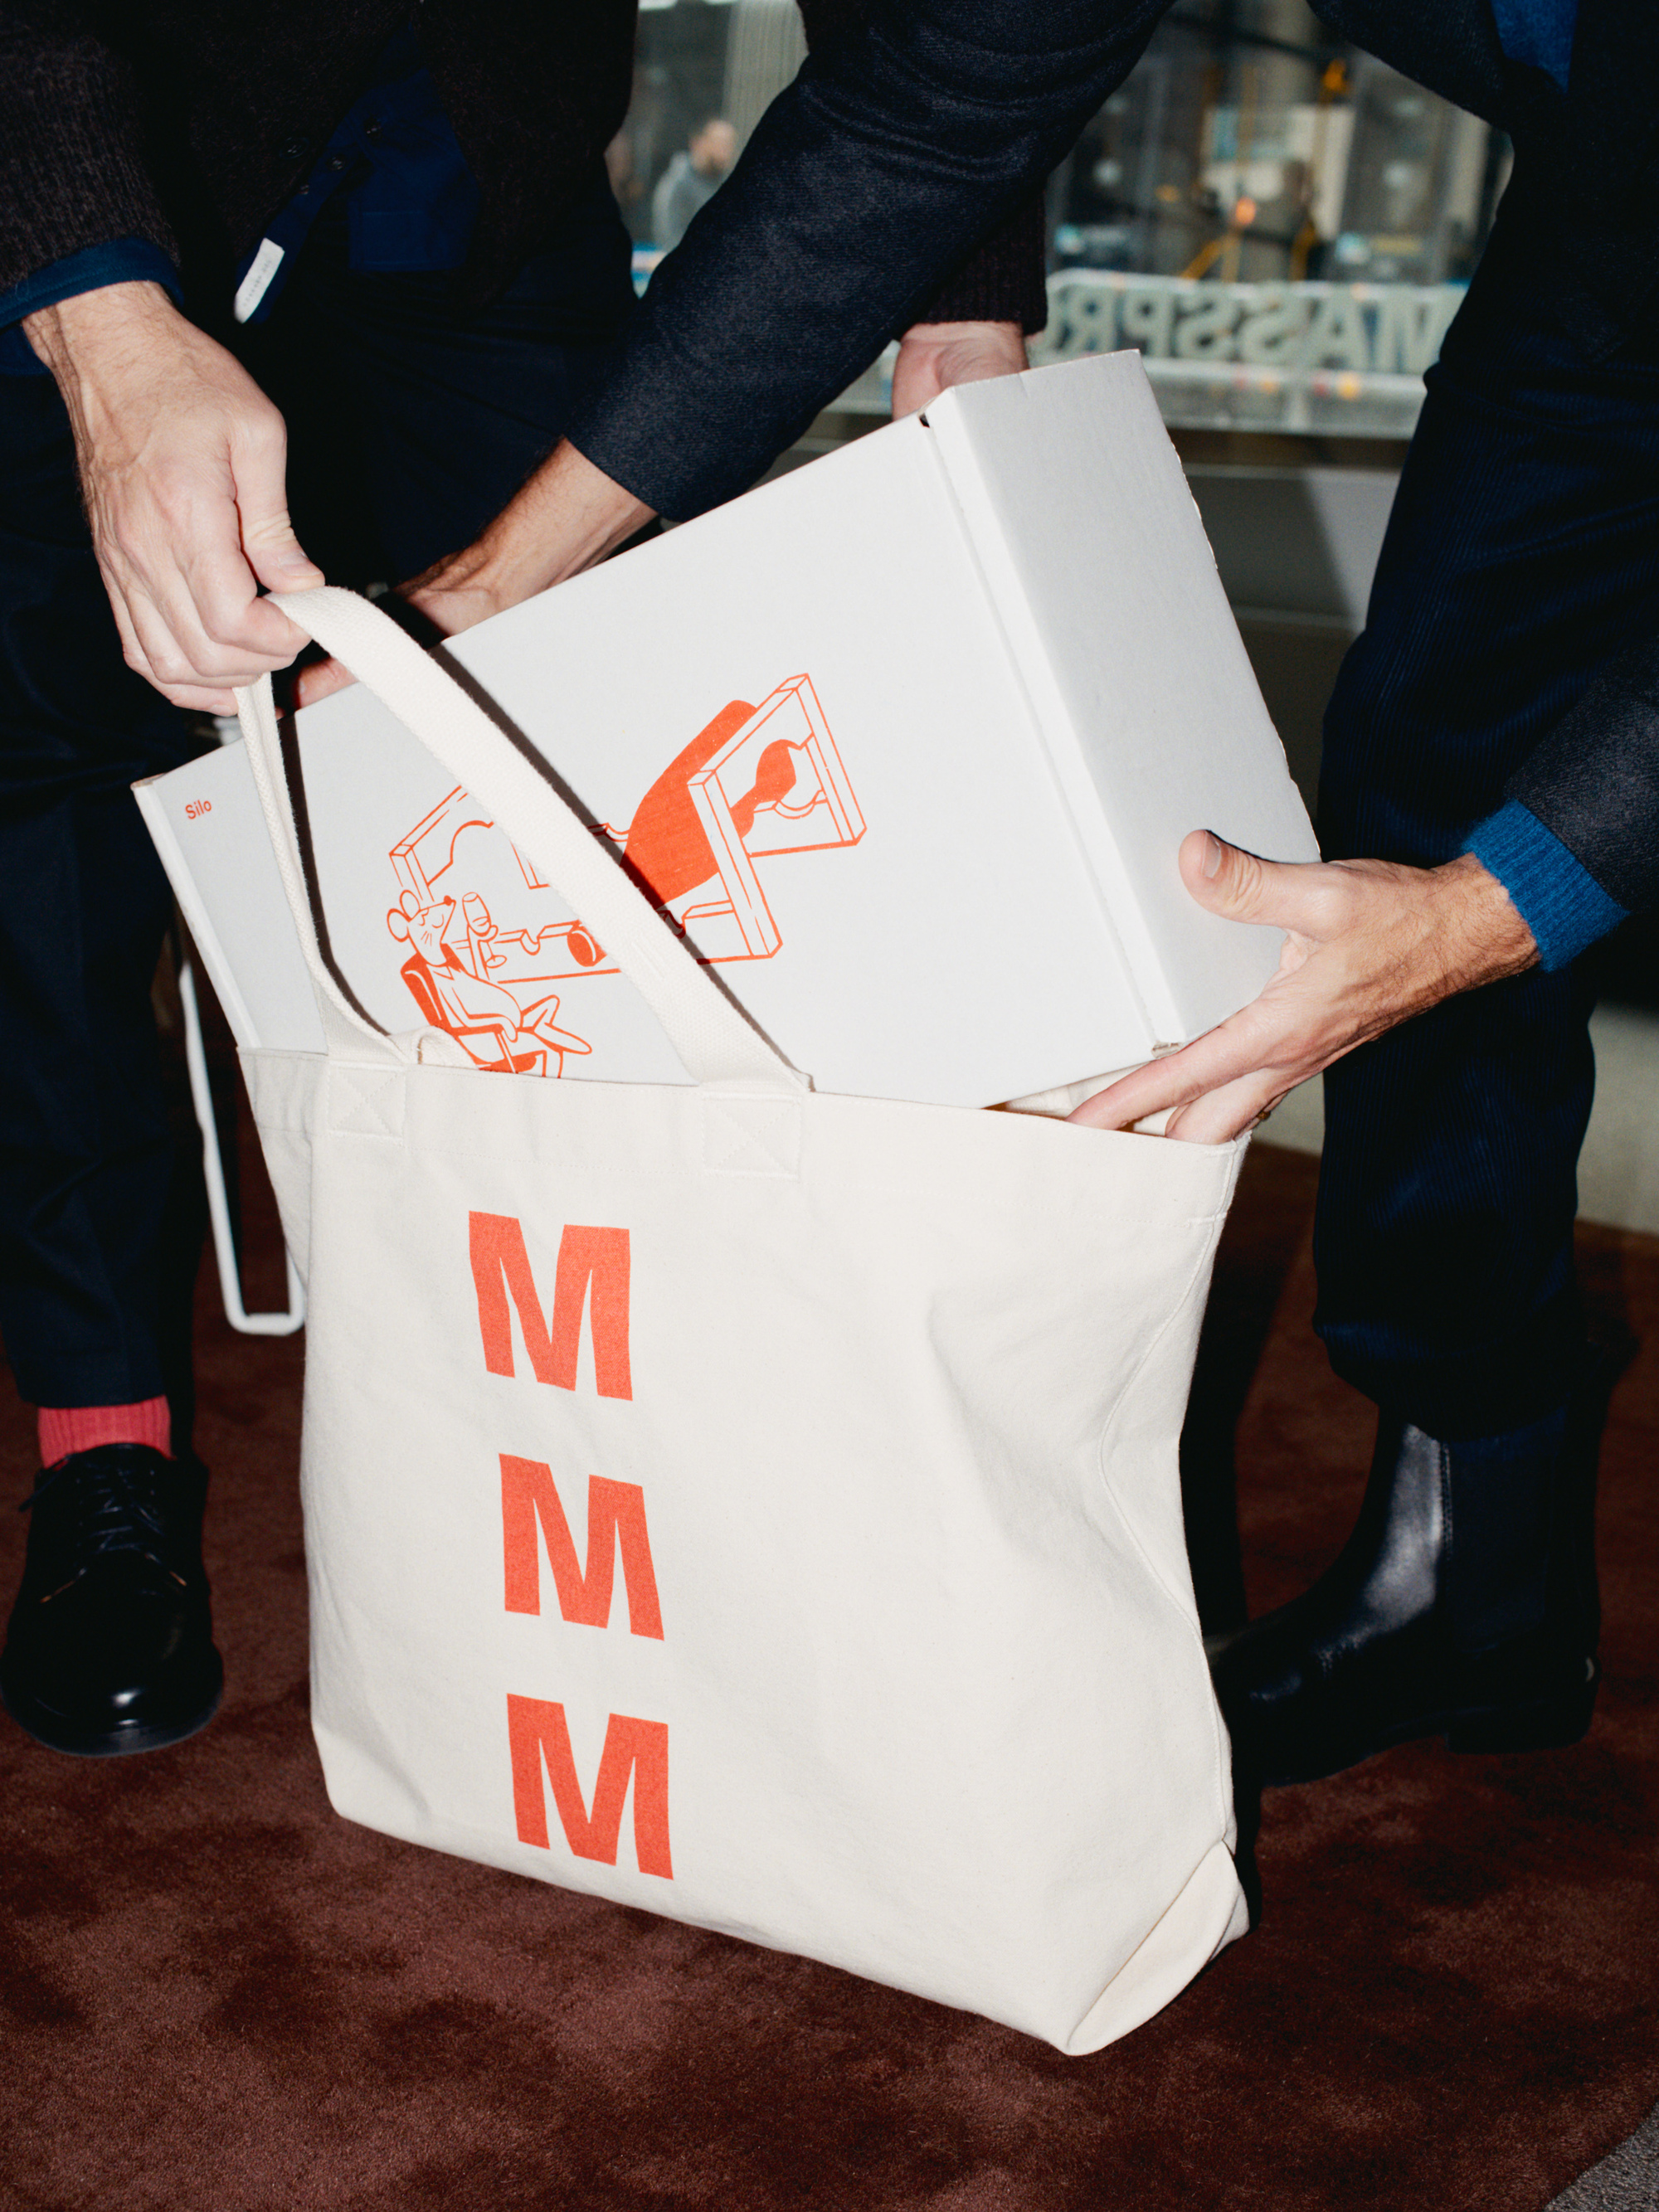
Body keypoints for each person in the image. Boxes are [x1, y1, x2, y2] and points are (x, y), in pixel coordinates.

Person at [294, 0, 1652, 1791]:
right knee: (1430, 748)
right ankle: (1471, 1548)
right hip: (1607, 178)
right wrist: (470, 599)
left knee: (1502, 856)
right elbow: (906, 125)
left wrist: (1493, 907)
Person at [0, 0, 1042, 1759]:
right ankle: (105, 1450)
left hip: (478, 208)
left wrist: (964, 272)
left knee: (579, 825)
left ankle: (583, 1453)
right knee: (47, 849)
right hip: (93, 180)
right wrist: (98, 314)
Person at [651, 119, 740, 254]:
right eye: (720, 143)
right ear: (698, 143)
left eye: (729, 144)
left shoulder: (730, 185)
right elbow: (669, 238)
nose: (725, 152)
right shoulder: (677, 184)